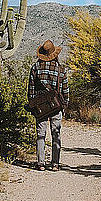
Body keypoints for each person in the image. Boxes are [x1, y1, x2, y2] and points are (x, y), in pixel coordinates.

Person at [28, 40, 69, 171]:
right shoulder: (61, 69)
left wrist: (32, 105)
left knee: (41, 134)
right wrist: (65, 105)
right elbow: (65, 90)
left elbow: (31, 89)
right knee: (56, 133)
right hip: (56, 105)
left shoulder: (35, 67)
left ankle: (41, 163)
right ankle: (55, 164)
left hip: (41, 106)